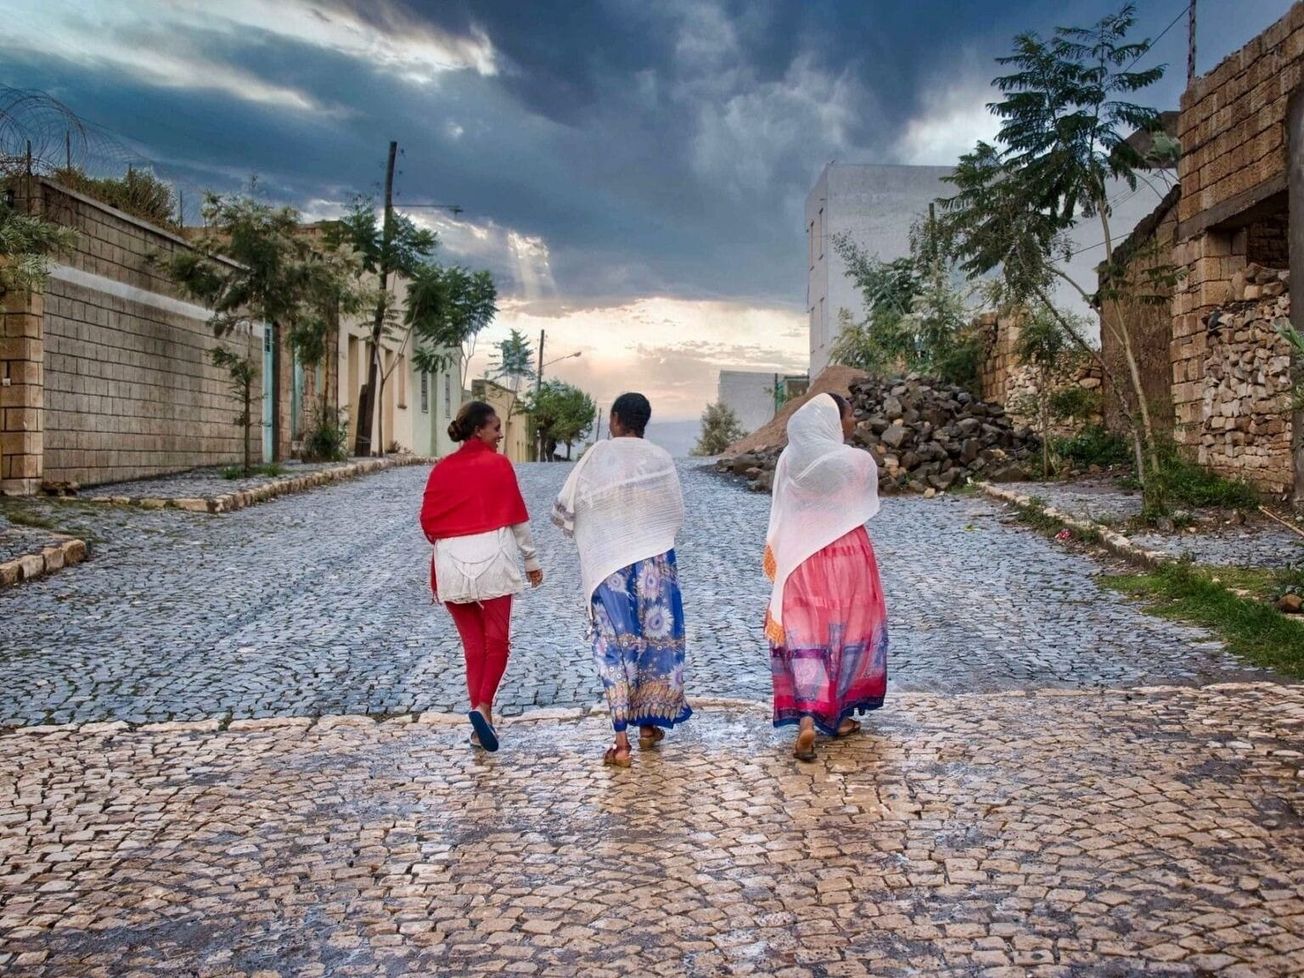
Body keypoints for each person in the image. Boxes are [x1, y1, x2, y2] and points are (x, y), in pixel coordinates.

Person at [553, 392, 691, 767]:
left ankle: (622, 742)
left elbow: (569, 507)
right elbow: (674, 513)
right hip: (655, 565)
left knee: (615, 646)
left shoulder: (597, 455)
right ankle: (649, 725)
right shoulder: (660, 458)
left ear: (614, 419)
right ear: (644, 421)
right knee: (653, 643)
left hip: (610, 567)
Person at [764, 392, 887, 763]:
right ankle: (839, 715)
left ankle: (806, 719)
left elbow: (785, 509)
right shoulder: (856, 462)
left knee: (807, 638)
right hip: (847, 555)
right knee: (847, 631)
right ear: (833, 422)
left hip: (800, 558)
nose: (853, 423)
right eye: (849, 417)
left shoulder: (790, 460)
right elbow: (863, 493)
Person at [420, 400, 543, 753]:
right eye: (496, 428)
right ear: (479, 430)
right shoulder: (499, 465)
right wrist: (531, 561)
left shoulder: (441, 470)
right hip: (493, 563)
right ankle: (483, 706)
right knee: (498, 642)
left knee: (473, 646)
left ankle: (480, 728)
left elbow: (428, 521)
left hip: (450, 567)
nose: (500, 434)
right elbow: (518, 519)